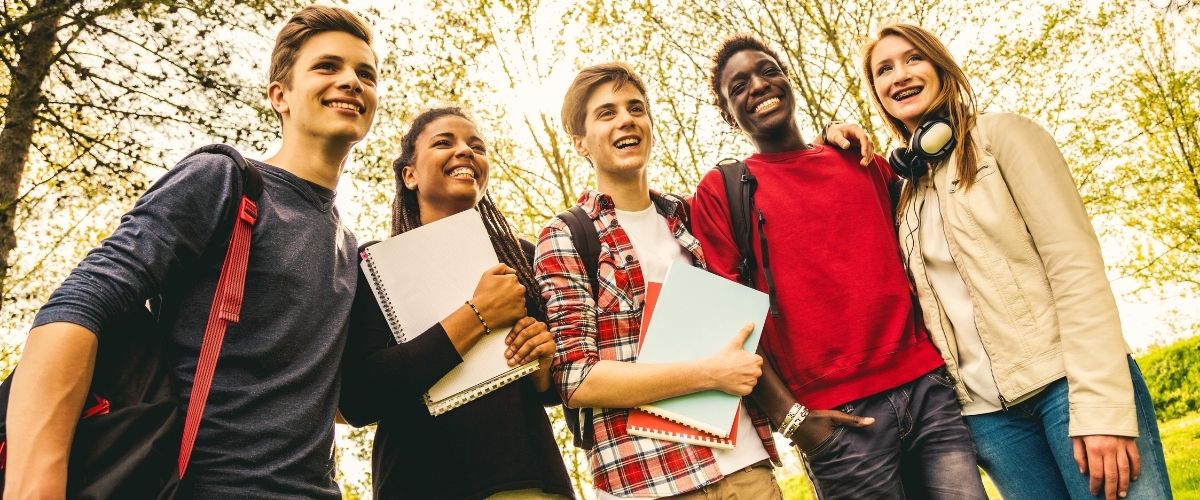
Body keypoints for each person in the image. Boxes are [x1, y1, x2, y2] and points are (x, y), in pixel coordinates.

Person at [3, 6, 377, 498]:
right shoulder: (226, 181)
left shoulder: (350, 249)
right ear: (279, 96)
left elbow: (344, 403)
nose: (351, 81)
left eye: (365, 74)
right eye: (327, 67)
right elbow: (78, 304)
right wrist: (35, 485)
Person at [861, 23, 1173, 500]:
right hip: (990, 422)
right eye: (884, 69)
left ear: (940, 68)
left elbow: (1075, 268)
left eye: (912, 59)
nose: (899, 75)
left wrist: (1102, 405)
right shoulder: (905, 193)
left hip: (1068, 390)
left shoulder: (1003, 136)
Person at [535, 62, 868, 499]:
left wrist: (823, 146)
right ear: (579, 141)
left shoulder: (693, 216)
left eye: (636, 108)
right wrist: (710, 374)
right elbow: (576, 379)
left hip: (746, 468)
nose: (626, 120)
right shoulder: (567, 236)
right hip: (650, 481)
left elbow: (787, 202)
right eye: (606, 113)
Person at [692, 34, 988, 499]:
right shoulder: (723, 191)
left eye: (769, 70)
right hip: (838, 422)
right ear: (729, 114)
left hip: (927, 389)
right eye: (739, 85)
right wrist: (795, 421)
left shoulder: (860, 159)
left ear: (787, 81)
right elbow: (728, 326)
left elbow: (925, 241)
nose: (758, 85)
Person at [339, 107, 574, 500]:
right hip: (416, 481)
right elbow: (360, 397)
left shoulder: (524, 258)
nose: (465, 151)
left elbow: (552, 391)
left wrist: (542, 365)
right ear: (409, 174)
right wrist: (477, 316)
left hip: (527, 481)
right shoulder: (375, 265)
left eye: (476, 146)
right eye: (444, 142)